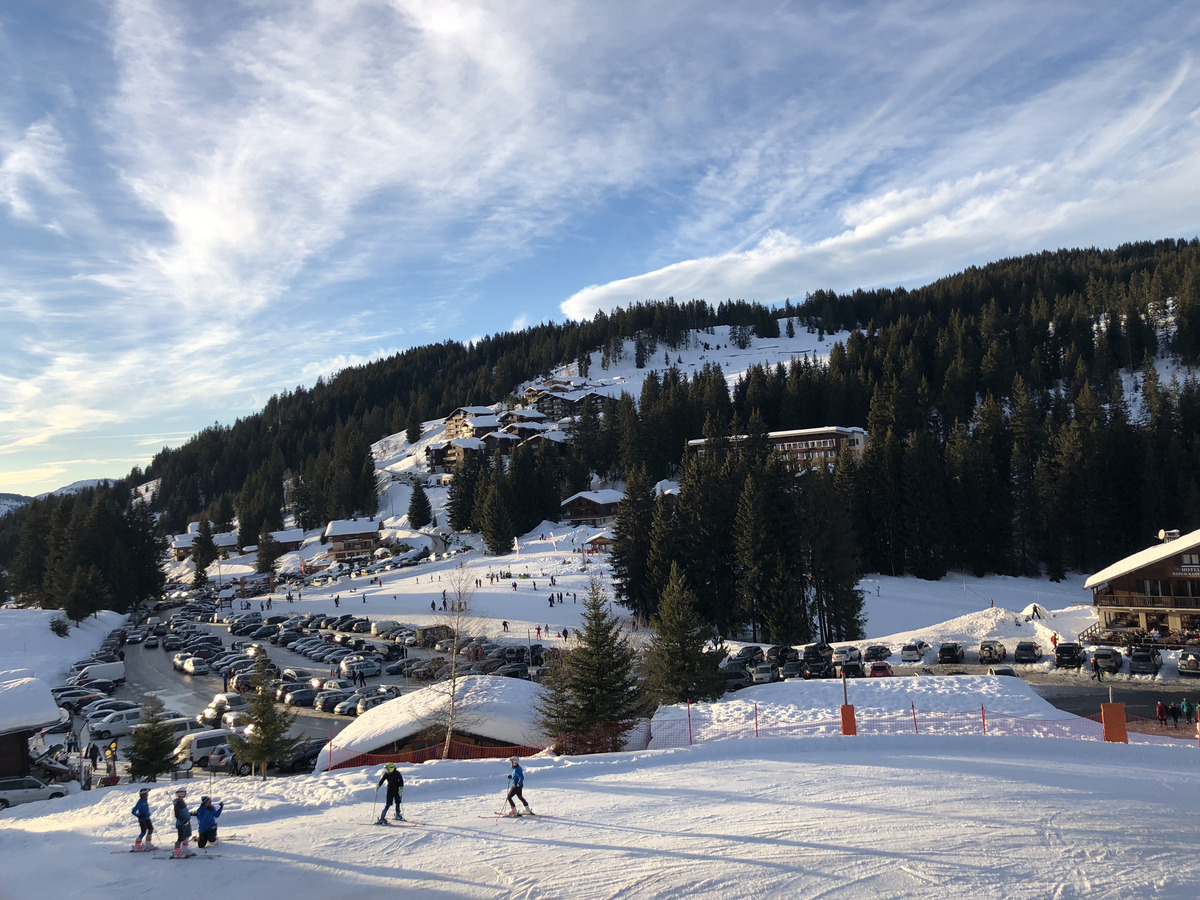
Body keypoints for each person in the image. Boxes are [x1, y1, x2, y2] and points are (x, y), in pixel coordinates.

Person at [172, 788, 194, 858]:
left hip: (187, 821)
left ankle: (184, 849)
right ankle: (176, 851)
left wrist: (190, 814)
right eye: (183, 793)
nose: (185, 794)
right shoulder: (177, 803)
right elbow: (177, 814)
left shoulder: (182, 801)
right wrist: (182, 820)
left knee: (187, 835)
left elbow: (184, 811)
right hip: (181, 823)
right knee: (181, 837)